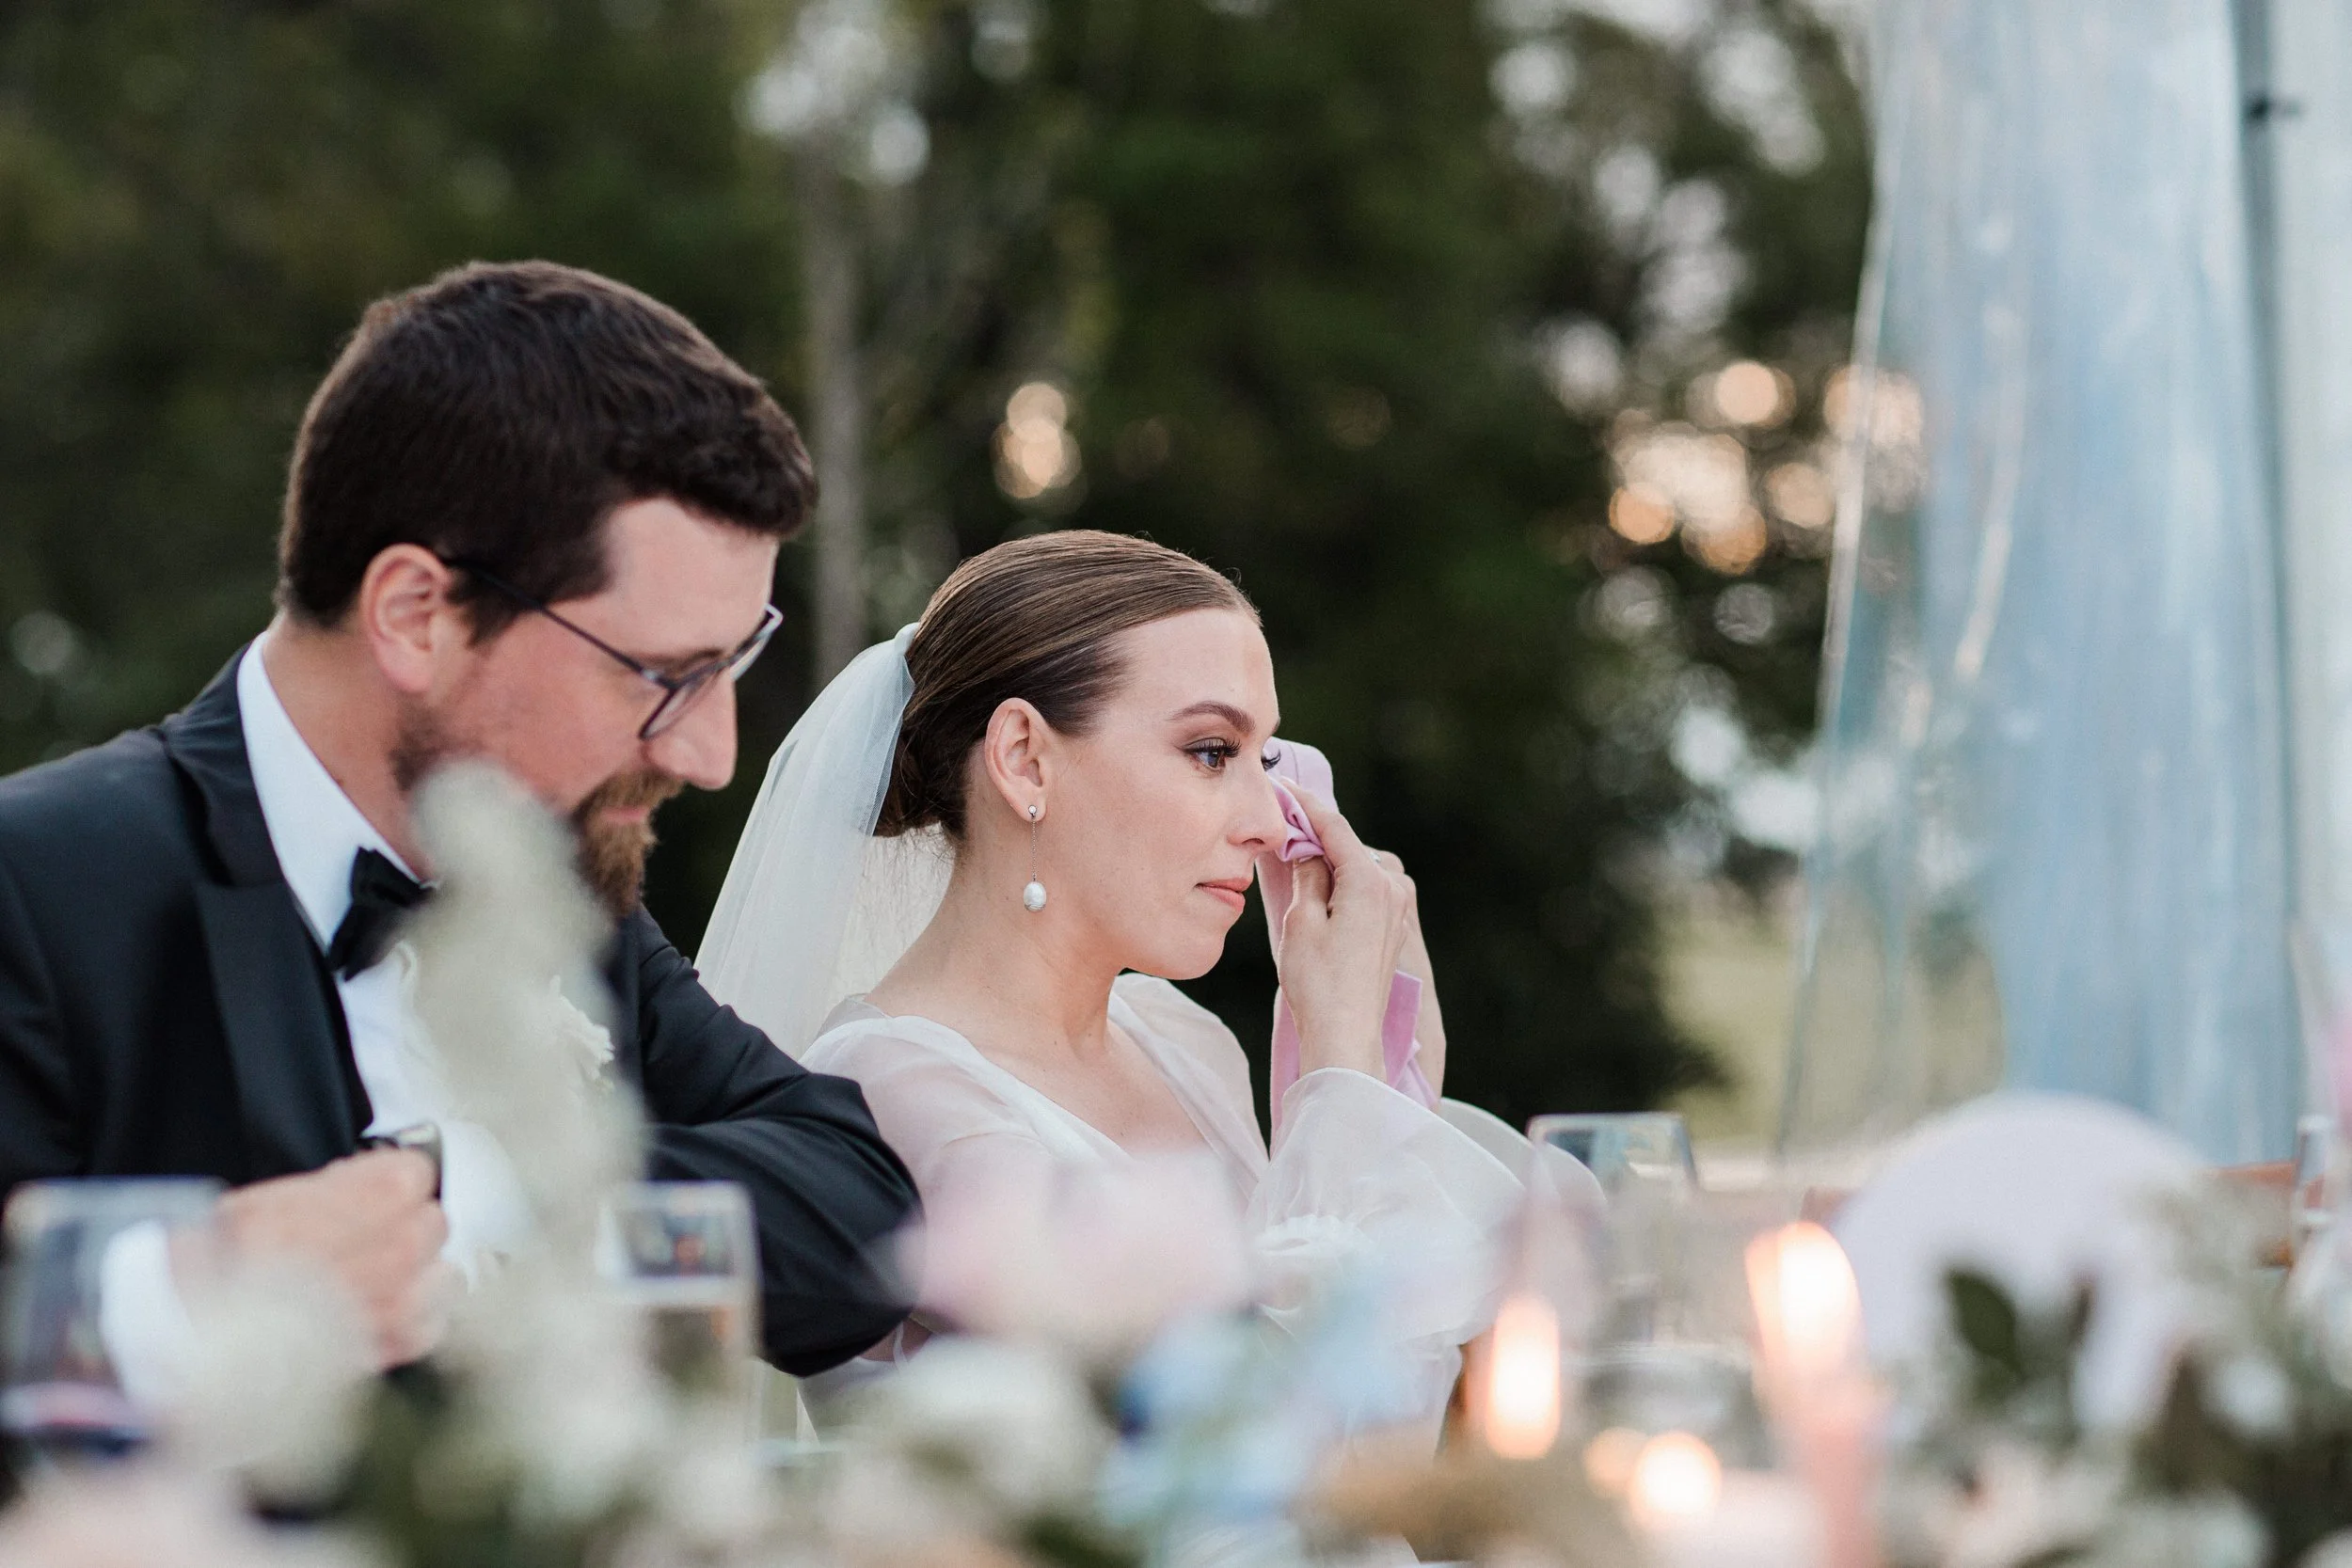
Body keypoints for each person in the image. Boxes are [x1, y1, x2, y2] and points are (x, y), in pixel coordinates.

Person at [0, 261, 918, 1376]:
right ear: (415, 615)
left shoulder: (558, 890)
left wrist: (499, 1189)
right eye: (661, 675)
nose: (710, 754)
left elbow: (859, 1214)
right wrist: (182, 1291)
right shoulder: (40, 887)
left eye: (734, 663)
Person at [697, 530, 1519, 1426]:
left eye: (1267, 760)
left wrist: (1360, 1063)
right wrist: (1344, 1069)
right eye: (1212, 752)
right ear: (1024, 758)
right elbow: (1258, 1451)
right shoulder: (895, 1092)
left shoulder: (1180, 1038)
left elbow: (1401, 1418)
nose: (1263, 820)